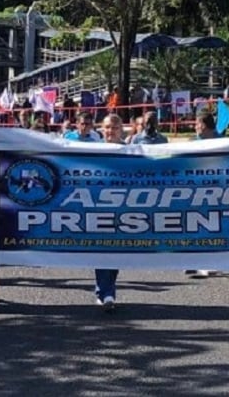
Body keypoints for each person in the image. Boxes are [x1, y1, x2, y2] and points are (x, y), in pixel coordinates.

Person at [185, 111, 220, 278]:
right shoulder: (193, 142)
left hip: (218, 191)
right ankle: (194, 261)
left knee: (213, 226)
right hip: (195, 191)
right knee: (193, 225)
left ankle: (211, 263)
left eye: (197, 124)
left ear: (204, 125)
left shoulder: (224, 142)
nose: (195, 127)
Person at [96, 114, 125, 311]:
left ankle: (106, 289)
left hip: (124, 209)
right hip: (97, 208)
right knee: (100, 250)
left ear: (121, 130)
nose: (110, 130)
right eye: (107, 127)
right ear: (101, 129)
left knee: (117, 252)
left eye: (114, 127)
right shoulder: (91, 150)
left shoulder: (131, 151)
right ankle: (106, 292)